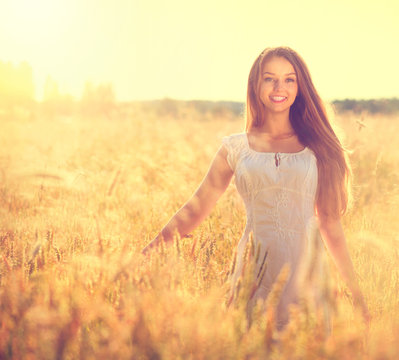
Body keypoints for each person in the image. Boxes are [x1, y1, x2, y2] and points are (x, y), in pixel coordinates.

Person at [141, 46, 370, 331]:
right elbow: (194, 209)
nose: (279, 87)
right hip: (254, 273)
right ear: (256, 84)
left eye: (289, 79)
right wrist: (146, 253)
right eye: (269, 78)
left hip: (307, 275)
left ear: (300, 87)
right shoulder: (236, 149)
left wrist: (357, 293)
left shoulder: (318, 147)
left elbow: (330, 223)